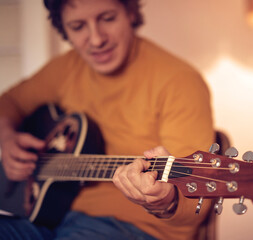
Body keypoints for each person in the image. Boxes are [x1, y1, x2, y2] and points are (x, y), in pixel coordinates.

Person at [0, 0, 214, 239]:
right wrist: (7, 138)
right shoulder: (66, 68)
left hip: (135, 228)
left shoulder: (179, 81)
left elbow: (195, 192)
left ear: (130, 12)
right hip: (49, 217)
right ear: (64, 29)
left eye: (107, 18)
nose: (96, 40)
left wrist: (165, 199)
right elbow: (8, 103)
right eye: (78, 26)